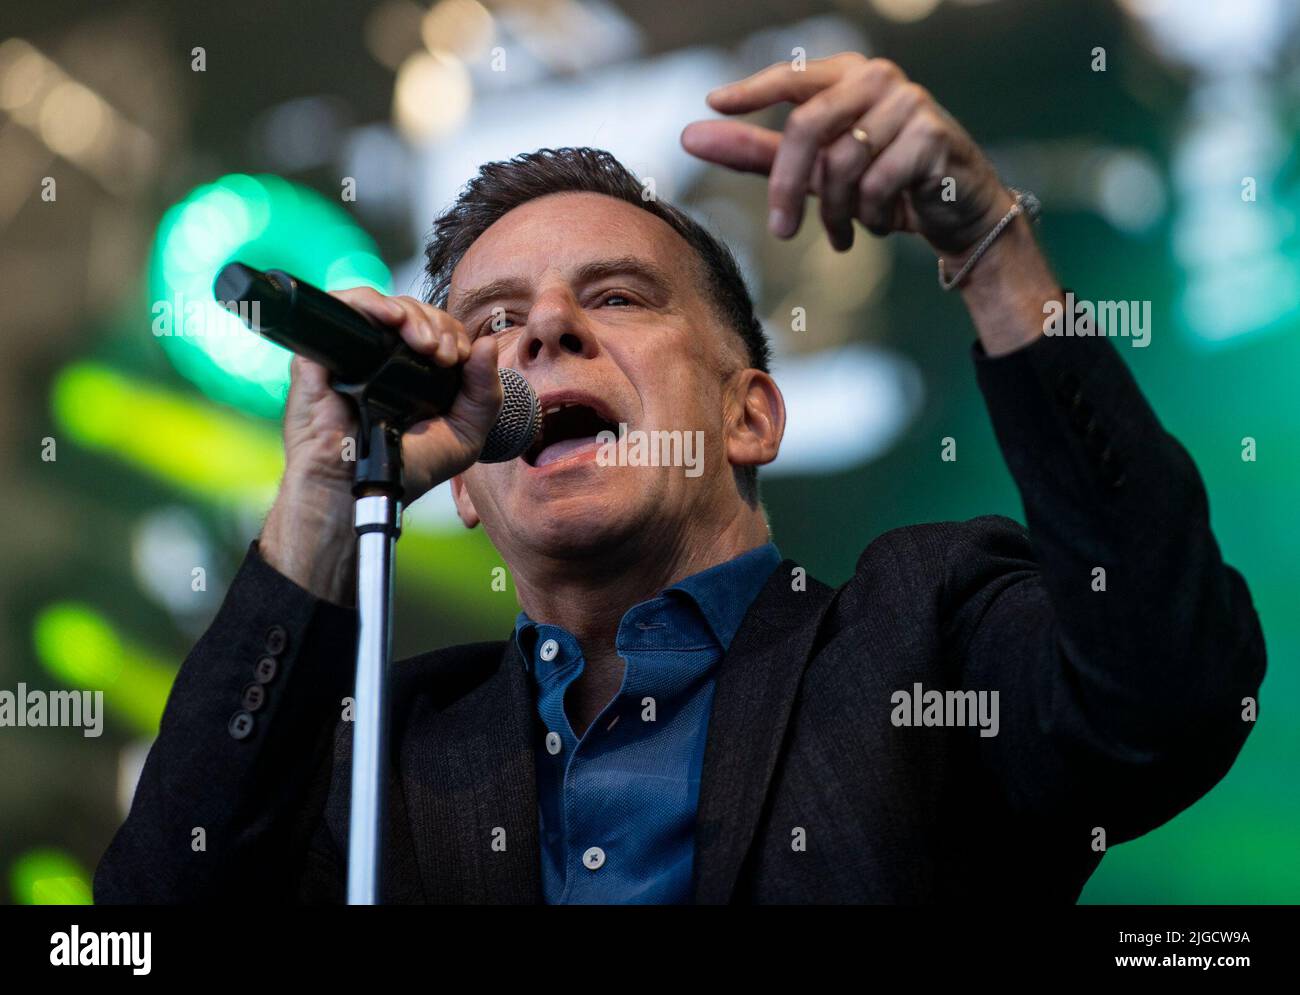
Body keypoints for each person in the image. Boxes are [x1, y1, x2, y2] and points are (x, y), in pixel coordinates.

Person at [95, 53, 1265, 904]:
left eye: (613, 296)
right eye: (494, 320)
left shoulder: (925, 631)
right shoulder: (383, 755)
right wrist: (318, 496)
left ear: (749, 413)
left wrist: (988, 249)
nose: (543, 329)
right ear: (463, 481)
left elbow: (1172, 691)